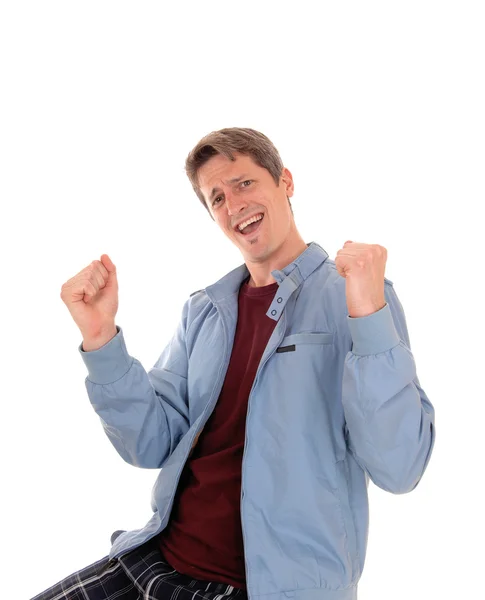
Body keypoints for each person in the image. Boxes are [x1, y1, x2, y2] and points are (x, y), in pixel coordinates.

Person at [34, 127, 436, 600]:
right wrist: (101, 340)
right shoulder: (205, 310)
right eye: (217, 197)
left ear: (285, 181)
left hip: (265, 589)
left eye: (244, 183)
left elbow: (400, 466)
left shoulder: (354, 296)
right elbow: (149, 442)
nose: (233, 204)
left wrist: (368, 315)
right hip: (159, 556)